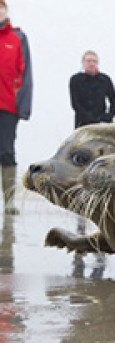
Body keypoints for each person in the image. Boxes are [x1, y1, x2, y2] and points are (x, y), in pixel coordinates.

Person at [0, 0, 31, 215]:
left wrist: (24, 106)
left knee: (6, 151)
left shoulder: (18, 38)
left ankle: (9, 201)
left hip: (8, 105)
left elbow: (26, 73)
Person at [69, 50, 115, 129]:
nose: (92, 64)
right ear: (83, 62)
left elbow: (114, 101)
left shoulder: (105, 80)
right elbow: (75, 103)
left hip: (103, 123)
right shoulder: (75, 80)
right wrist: (88, 118)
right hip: (82, 124)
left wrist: (108, 116)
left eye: (94, 61)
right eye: (88, 61)